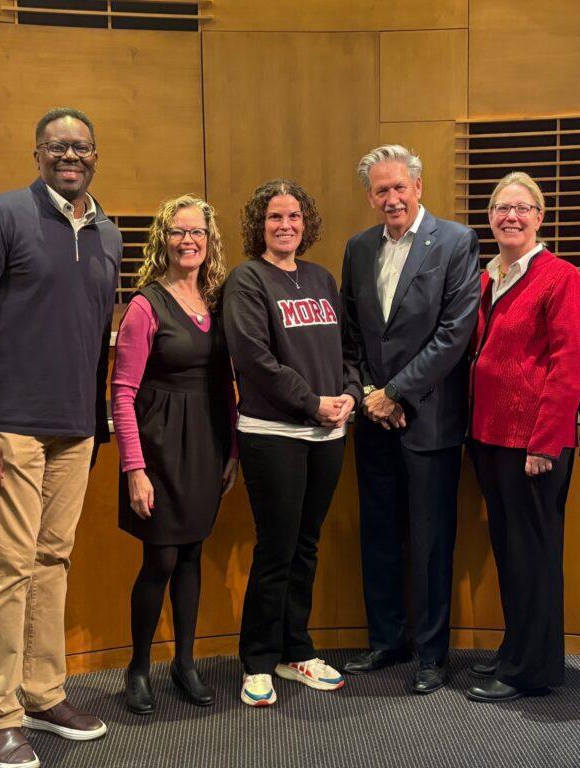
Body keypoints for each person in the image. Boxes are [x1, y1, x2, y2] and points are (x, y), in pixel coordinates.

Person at [0, 107, 121, 768]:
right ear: (37, 152)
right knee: (12, 568)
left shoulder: (108, 232)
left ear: (95, 155)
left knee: (53, 561)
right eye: (57, 146)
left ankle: (44, 695)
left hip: (74, 430)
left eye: (80, 147)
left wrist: (96, 422)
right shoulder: (0, 218)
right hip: (10, 428)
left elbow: (97, 334)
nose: (69, 156)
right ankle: (0, 714)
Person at [340, 145, 480, 694]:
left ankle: (430, 653)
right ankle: (386, 639)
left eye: (400, 187)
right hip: (373, 419)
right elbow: (350, 332)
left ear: (418, 186)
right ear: (370, 196)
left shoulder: (455, 241)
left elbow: (455, 332)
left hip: (429, 419)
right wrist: (369, 393)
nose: (391, 198)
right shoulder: (357, 248)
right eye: (381, 190)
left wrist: (396, 392)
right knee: (378, 534)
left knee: (429, 538)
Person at [223, 179, 359, 707]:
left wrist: (348, 393)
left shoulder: (322, 279)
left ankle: (295, 649)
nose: (286, 226)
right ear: (260, 224)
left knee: (306, 545)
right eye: (275, 217)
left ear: (307, 224)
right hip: (273, 434)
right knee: (276, 548)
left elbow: (349, 347)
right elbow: (254, 359)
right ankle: (257, 660)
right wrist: (312, 402)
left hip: (328, 433)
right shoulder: (247, 280)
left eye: (295, 217)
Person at [466, 171, 580, 704]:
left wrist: (546, 440)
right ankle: (518, 647)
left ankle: (530, 670)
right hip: (490, 437)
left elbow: (568, 365)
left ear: (540, 217)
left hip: (534, 443)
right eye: (500, 208)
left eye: (522, 207)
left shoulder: (561, 277)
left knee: (533, 555)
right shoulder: (487, 275)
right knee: (510, 552)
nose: (510, 216)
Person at [112, 195, 239, 713]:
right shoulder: (146, 304)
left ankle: (184, 663)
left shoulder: (216, 302)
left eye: (198, 233)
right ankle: (138, 667)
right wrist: (134, 469)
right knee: (160, 558)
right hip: (159, 446)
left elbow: (225, 382)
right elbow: (121, 392)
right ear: (162, 240)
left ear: (209, 243)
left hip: (206, 444)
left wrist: (231, 449)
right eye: (179, 232)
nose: (190, 241)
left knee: (191, 555)